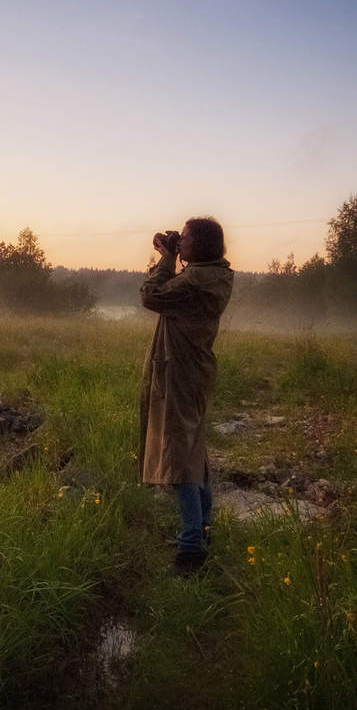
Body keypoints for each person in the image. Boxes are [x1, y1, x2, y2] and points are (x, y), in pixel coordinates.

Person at [139, 217, 234, 575]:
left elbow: (150, 295)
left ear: (203, 245)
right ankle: (203, 532)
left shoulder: (196, 281)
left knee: (179, 460)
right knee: (195, 455)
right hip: (195, 372)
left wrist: (165, 258)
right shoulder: (215, 275)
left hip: (180, 374)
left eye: (187, 238)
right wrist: (172, 254)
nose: (182, 242)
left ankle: (190, 548)